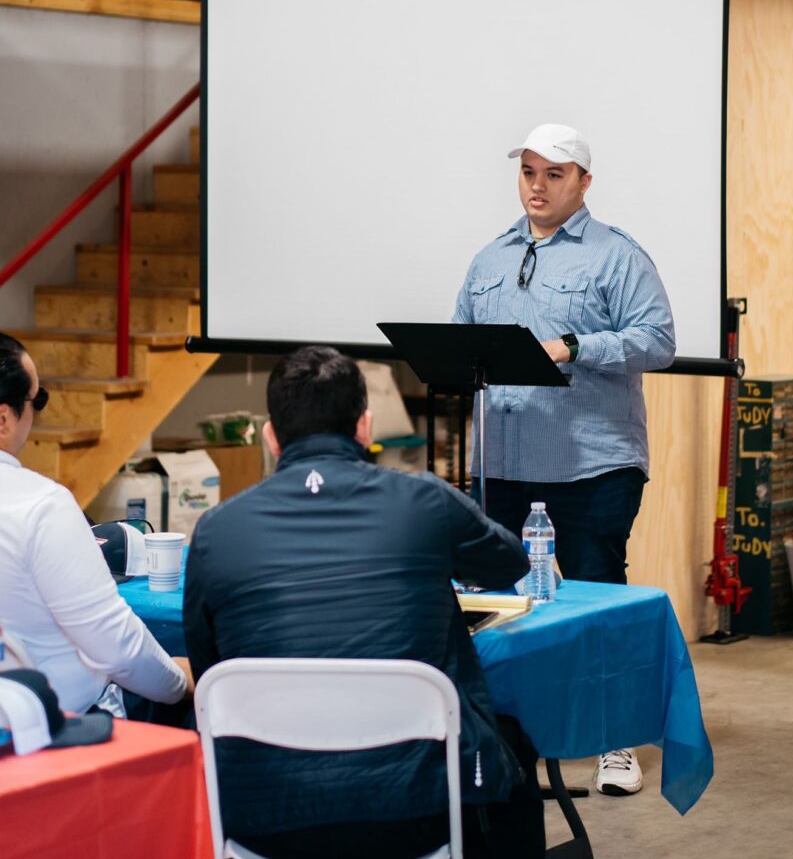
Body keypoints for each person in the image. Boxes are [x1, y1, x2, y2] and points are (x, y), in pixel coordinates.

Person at [184, 346, 545, 859]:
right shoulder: (424, 501)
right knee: (512, 748)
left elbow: (209, 663)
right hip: (412, 818)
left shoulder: (215, 531)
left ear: (270, 435)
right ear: (365, 426)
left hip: (260, 820)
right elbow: (510, 563)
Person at [453, 123, 676, 795]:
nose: (537, 186)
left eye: (554, 174)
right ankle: (501, 741)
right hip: (503, 460)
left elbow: (657, 339)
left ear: (582, 181)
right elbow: (464, 340)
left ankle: (613, 744)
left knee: (594, 597)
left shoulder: (615, 256)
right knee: (497, 602)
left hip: (591, 465)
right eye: (527, 172)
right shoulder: (489, 259)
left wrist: (576, 346)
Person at [0, 332, 192, 717]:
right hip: (55, 727)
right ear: (3, 418)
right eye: (37, 400)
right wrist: (178, 683)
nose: (38, 412)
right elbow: (117, 647)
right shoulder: (41, 505)